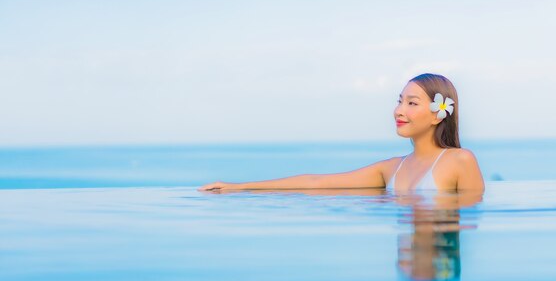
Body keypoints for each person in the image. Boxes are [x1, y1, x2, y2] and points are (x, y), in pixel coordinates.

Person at [198, 73, 485, 192]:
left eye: (411, 103)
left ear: (438, 114)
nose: (399, 111)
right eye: (399, 101)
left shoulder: (459, 161)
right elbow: (316, 182)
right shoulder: (392, 169)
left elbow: (472, 222)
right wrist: (237, 188)